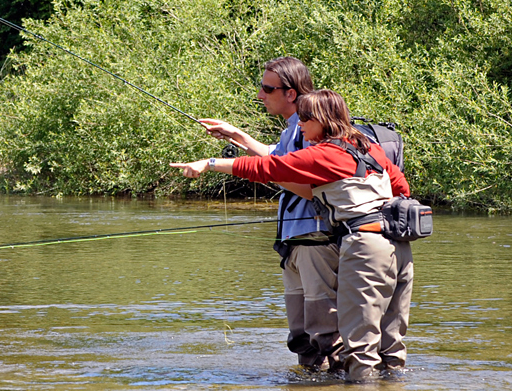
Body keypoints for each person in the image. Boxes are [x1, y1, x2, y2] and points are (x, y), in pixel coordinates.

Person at [171, 89, 414, 382]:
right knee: (391, 343)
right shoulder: (367, 147)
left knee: (360, 347)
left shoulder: (326, 153)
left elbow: (268, 168)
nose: (300, 125)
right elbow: (401, 188)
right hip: (398, 246)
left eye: (305, 119)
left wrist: (209, 164)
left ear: (323, 120)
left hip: (365, 247)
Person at [199, 57, 340, 370]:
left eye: (267, 88)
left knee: (324, 334)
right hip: (294, 243)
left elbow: (301, 180)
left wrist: (216, 164)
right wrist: (236, 135)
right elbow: (275, 158)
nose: (261, 95)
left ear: (291, 93)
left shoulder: (309, 129)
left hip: (315, 240)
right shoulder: (294, 128)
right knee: (301, 337)